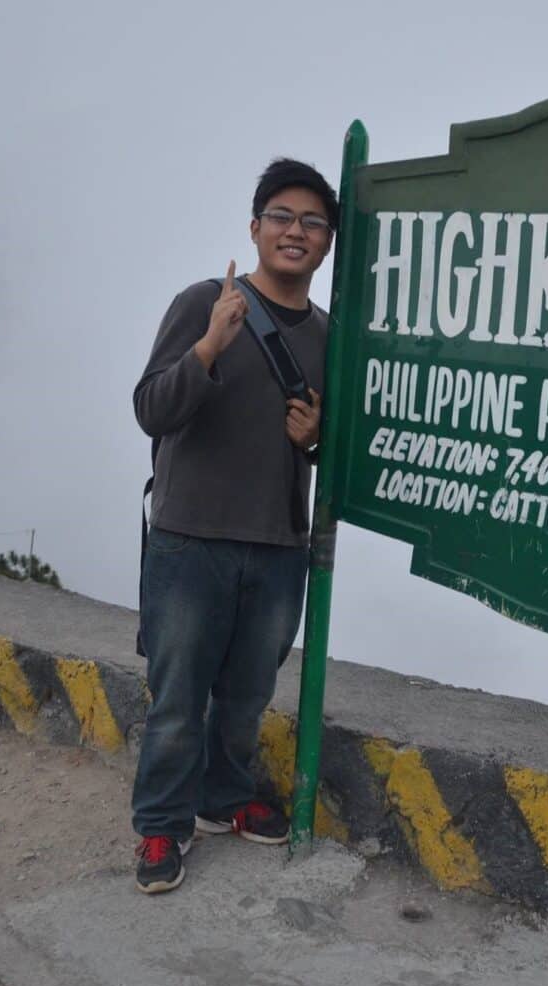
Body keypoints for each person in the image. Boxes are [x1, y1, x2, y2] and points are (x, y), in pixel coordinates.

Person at [131, 158, 338, 894]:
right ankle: (161, 826)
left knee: (248, 694)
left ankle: (224, 801)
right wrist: (212, 344)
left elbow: (333, 449)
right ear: (255, 229)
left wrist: (316, 437)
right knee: (179, 694)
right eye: (281, 216)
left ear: (327, 244)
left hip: (279, 545)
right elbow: (152, 409)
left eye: (313, 223)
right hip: (190, 538)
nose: (296, 231)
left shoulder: (327, 334)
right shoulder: (204, 302)